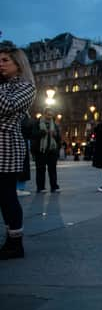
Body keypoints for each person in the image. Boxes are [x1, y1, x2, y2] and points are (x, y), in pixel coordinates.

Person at [0, 48, 36, 260]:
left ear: (19, 64)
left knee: (7, 196)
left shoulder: (26, 87)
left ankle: (15, 243)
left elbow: (6, 106)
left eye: (5, 60)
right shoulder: (4, 85)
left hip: (6, 145)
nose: (1, 64)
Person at [31, 108, 61, 193]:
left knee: (52, 169)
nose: (49, 117)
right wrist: (42, 132)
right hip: (40, 150)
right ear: (44, 114)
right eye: (48, 114)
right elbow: (33, 135)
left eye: (51, 115)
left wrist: (55, 135)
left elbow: (59, 138)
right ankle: (41, 187)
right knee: (40, 169)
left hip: (52, 150)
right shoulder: (37, 123)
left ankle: (54, 186)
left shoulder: (54, 124)